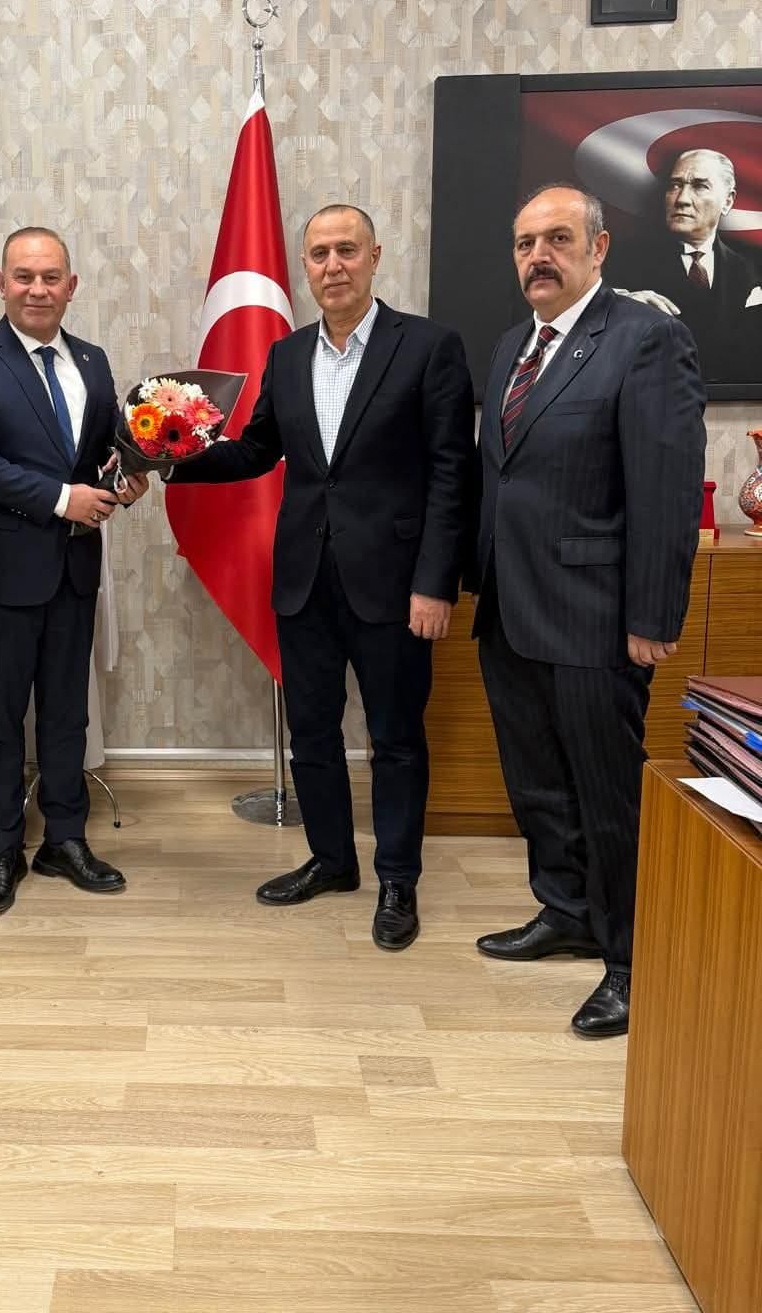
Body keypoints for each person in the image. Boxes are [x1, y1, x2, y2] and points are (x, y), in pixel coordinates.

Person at [168, 204, 474, 949]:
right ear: (304, 267)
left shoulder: (428, 347)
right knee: (311, 732)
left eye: (346, 250)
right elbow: (256, 450)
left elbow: (453, 474)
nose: (332, 266)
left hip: (395, 586)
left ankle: (397, 879)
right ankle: (332, 861)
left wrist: (436, 583)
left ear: (375, 257)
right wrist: (170, 454)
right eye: (318, 254)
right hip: (303, 579)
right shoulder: (287, 355)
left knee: (395, 738)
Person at [473, 184, 705, 1038]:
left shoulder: (645, 338)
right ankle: (565, 911)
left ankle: (632, 962)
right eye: (525, 242)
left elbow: (667, 485)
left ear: (598, 248)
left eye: (558, 238)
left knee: (606, 797)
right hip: (511, 609)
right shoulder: (512, 346)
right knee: (537, 784)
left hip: (596, 616)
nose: (539, 256)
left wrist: (654, 615)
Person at [0, 227, 145, 918]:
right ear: (1, 283)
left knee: (65, 713)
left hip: (74, 571)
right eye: (23, 276)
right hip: (0, 574)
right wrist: (64, 500)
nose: (37, 289)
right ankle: (3, 849)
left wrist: (127, 478)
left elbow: (102, 453)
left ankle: (64, 839)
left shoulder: (92, 360)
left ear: (71, 286)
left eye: (51, 277)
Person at [608, 148, 762, 385]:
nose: (681, 199)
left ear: (728, 201)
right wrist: (618, 305)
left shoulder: (751, 267)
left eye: (700, 186)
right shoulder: (620, 259)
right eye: (675, 185)